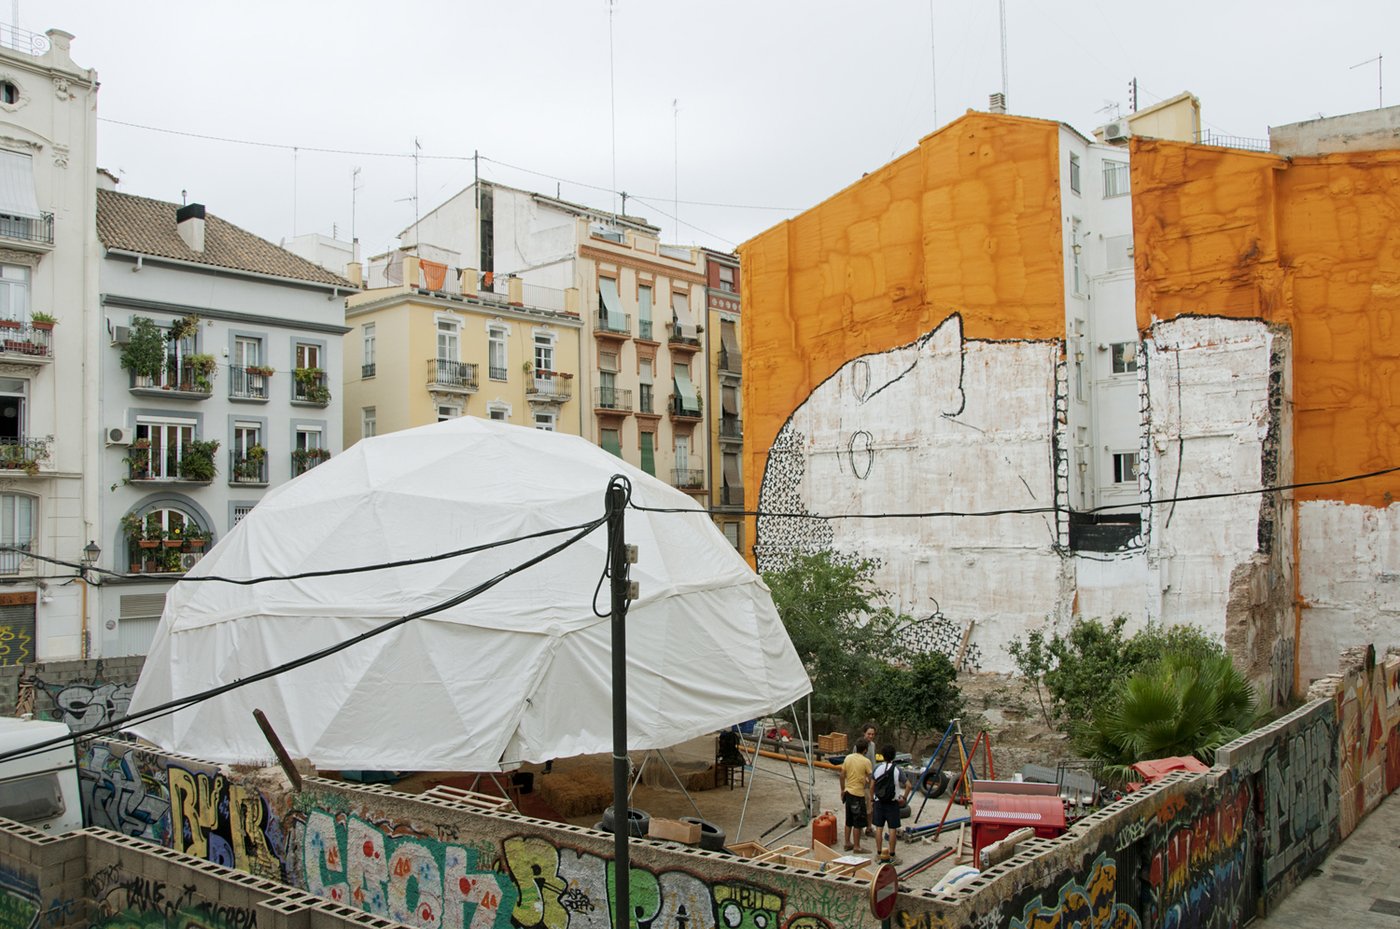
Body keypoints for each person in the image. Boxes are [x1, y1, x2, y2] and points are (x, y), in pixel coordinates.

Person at [871, 743, 912, 864]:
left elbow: (872, 785)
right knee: (892, 828)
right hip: (892, 802)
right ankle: (892, 855)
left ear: (882, 755)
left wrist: (872, 798)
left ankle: (879, 854)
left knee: (879, 828)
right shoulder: (897, 769)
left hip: (879, 801)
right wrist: (904, 798)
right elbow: (909, 785)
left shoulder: (877, 768)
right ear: (894, 756)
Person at [840, 738, 873, 853]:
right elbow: (871, 777)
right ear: (865, 750)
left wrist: (842, 789)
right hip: (858, 794)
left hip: (848, 792)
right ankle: (857, 846)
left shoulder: (848, 758)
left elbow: (842, 775)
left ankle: (847, 843)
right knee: (858, 822)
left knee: (848, 820)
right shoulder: (866, 761)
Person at [861, 723, 878, 837]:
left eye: (872, 734)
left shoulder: (872, 745)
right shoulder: (859, 745)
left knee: (870, 805)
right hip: (861, 780)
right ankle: (860, 830)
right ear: (864, 733)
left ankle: (869, 827)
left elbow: (873, 762)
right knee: (861, 806)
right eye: (869, 734)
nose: (871, 736)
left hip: (871, 779)